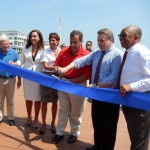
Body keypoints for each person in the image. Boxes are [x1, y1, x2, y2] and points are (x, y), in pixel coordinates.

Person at [57, 28, 123, 150]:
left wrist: (96, 85)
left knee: (108, 127)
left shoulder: (118, 55)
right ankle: (97, 146)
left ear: (111, 40)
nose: (99, 43)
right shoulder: (97, 53)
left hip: (109, 97)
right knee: (97, 123)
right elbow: (80, 61)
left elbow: (112, 79)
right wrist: (66, 69)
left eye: (102, 40)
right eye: (98, 40)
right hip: (95, 95)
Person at [52, 30, 91, 144]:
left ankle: (74, 133)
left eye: (75, 42)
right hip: (63, 83)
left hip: (78, 85)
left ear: (81, 42)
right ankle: (60, 132)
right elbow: (56, 65)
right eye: (71, 42)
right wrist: (57, 69)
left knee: (76, 112)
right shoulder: (63, 51)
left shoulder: (86, 55)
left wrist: (73, 81)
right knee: (63, 109)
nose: (73, 45)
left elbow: (86, 75)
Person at [118, 25, 150, 150]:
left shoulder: (142, 53)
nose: (120, 38)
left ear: (136, 37)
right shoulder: (128, 53)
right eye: (119, 35)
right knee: (135, 137)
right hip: (129, 102)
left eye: (124, 35)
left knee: (139, 141)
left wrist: (131, 86)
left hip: (139, 104)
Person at [10, 30, 44, 129]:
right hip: (28, 77)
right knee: (28, 98)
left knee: (38, 99)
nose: (33, 38)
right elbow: (21, 61)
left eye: (35, 36)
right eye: (31, 36)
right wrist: (14, 63)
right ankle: (29, 117)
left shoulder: (44, 49)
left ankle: (36, 119)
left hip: (38, 77)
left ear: (39, 38)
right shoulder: (26, 48)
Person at [39, 33, 61, 134]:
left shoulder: (62, 51)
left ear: (58, 41)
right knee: (44, 102)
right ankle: (43, 123)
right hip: (46, 77)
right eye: (50, 40)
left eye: (54, 40)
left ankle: (52, 123)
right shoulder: (45, 51)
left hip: (57, 78)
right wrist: (55, 68)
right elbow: (46, 66)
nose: (52, 42)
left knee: (55, 102)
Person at [0, 35, 21, 126]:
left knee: (10, 100)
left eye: (7, 44)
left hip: (11, 80)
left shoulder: (14, 53)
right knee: (0, 100)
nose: (6, 45)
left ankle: (11, 118)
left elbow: (19, 67)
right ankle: (0, 117)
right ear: (0, 45)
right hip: (0, 79)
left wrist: (19, 80)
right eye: (3, 44)